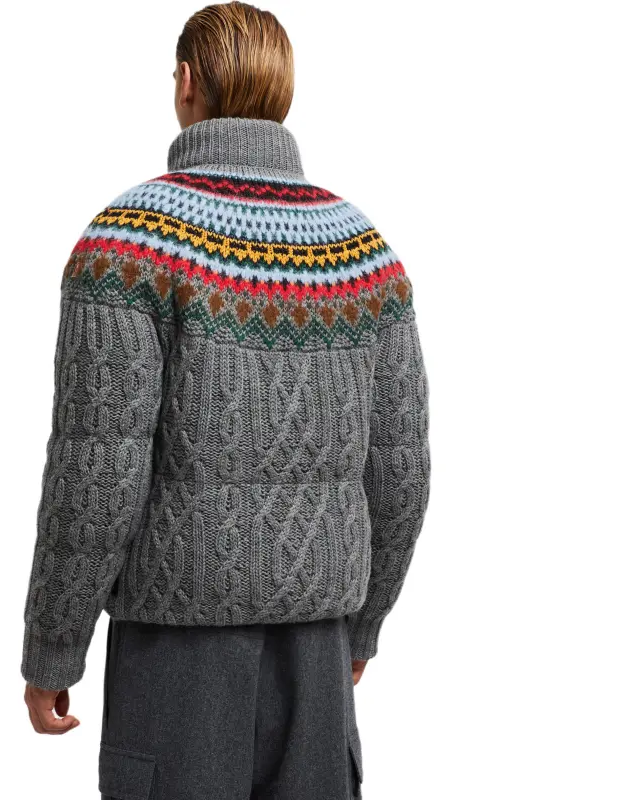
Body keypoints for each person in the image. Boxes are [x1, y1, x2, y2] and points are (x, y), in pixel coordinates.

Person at [21, 3, 431, 798]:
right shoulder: (366, 255)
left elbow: (96, 477)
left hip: (173, 662)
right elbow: (402, 473)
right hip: (318, 659)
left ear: (185, 82)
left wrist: (53, 647)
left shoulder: (127, 245)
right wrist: (365, 625)